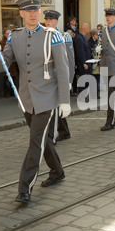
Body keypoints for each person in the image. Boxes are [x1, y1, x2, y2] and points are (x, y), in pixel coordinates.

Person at [0, 0, 71, 204]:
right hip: (26, 98)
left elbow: (62, 69)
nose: (33, 14)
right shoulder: (14, 37)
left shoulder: (54, 36)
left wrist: (65, 100)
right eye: (29, 11)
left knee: (35, 142)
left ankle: (25, 188)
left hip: (47, 98)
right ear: (22, 14)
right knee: (42, 140)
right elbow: (1, 66)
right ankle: (57, 171)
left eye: (36, 10)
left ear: (40, 13)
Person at [43, 9, 75, 141]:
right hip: (47, 78)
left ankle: (52, 138)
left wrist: (69, 80)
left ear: (56, 21)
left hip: (59, 78)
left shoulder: (64, 36)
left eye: (51, 19)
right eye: (46, 19)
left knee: (54, 108)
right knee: (53, 108)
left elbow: (70, 61)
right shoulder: (42, 35)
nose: (48, 22)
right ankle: (64, 131)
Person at [74, 22, 93, 101]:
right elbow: (80, 52)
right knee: (83, 80)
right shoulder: (79, 38)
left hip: (88, 62)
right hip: (83, 64)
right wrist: (84, 63)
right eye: (88, 28)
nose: (89, 29)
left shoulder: (83, 37)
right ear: (84, 29)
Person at [0, 27, 19, 98]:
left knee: (14, 78)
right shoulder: (2, 42)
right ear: (4, 35)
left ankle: (13, 92)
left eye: (10, 33)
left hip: (13, 64)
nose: (9, 35)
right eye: (7, 34)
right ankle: (7, 92)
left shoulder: (14, 41)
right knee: (7, 80)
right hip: (7, 63)